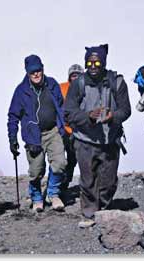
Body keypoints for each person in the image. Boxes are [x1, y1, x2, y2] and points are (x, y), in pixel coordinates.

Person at [64, 44, 131, 228]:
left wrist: (113, 116)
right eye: (89, 62)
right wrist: (87, 117)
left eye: (97, 62)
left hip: (110, 141)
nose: (93, 65)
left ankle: (105, 210)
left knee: (108, 181)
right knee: (88, 180)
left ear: (104, 62)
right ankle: (89, 213)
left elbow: (125, 110)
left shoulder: (117, 82)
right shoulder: (79, 83)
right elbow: (68, 112)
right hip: (85, 141)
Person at [7, 54, 67, 212]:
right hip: (33, 135)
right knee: (36, 171)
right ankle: (36, 197)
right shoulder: (21, 91)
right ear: (27, 72)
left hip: (53, 131)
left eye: (38, 70)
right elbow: (13, 116)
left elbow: (61, 106)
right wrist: (12, 138)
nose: (36, 74)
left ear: (43, 69)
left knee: (60, 163)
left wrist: (64, 127)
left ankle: (53, 194)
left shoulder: (52, 84)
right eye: (32, 71)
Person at [58, 64, 84, 195]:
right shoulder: (61, 88)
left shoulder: (88, 89)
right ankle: (61, 185)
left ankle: (85, 185)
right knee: (64, 160)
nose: (75, 77)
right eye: (73, 75)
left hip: (81, 130)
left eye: (78, 75)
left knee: (77, 159)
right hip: (65, 130)